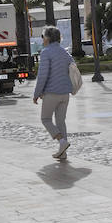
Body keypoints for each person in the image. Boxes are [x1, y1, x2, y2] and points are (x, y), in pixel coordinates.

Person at [32, 25, 76, 159]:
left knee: (45, 119)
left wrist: (36, 94)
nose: (42, 39)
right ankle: (63, 153)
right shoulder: (65, 52)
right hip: (65, 93)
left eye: (43, 36)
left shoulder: (46, 52)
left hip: (52, 93)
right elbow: (72, 68)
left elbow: (43, 75)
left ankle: (62, 142)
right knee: (61, 121)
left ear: (48, 38)